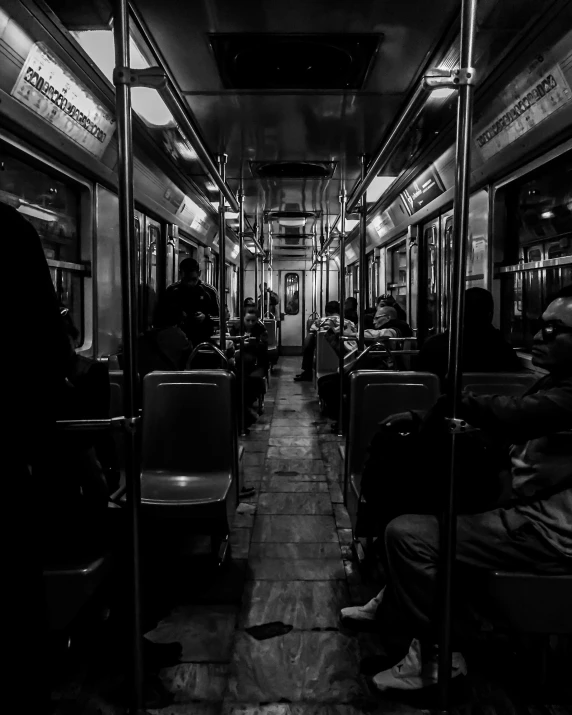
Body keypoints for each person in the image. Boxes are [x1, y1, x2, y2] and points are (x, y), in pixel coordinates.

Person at [342, 285, 572, 693]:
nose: (538, 339)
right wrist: (424, 414)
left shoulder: (564, 394)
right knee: (415, 485)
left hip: (546, 529)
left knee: (407, 533)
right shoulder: (551, 377)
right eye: (540, 328)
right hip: (525, 499)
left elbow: (518, 415)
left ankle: (440, 654)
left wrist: (460, 402)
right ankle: (395, 596)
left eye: (553, 332)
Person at [416, 287, 520, 385]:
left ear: (458, 313)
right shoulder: (502, 350)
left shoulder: (432, 346)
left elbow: (421, 385)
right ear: (490, 315)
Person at [165, 257, 220, 346]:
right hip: (177, 341)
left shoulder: (209, 292)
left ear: (199, 273)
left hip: (203, 340)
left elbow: (218, 318)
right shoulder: (171, 291)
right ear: (180, 274)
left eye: (193, 279)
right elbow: (162, 319)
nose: (190, 284)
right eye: (186, 280)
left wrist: (205, 318)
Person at [138, 294, 191, 376]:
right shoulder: (178, 335)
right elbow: (187, 358)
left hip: (145, 384)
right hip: (170, 382)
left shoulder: (143, 338)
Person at [294, 300, 342, 382]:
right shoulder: (347, 322)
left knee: (310, 339)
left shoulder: (321, 321)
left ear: (327, 311)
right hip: (341, 351)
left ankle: (307, 371)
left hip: (323, 349)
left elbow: (312, 329)